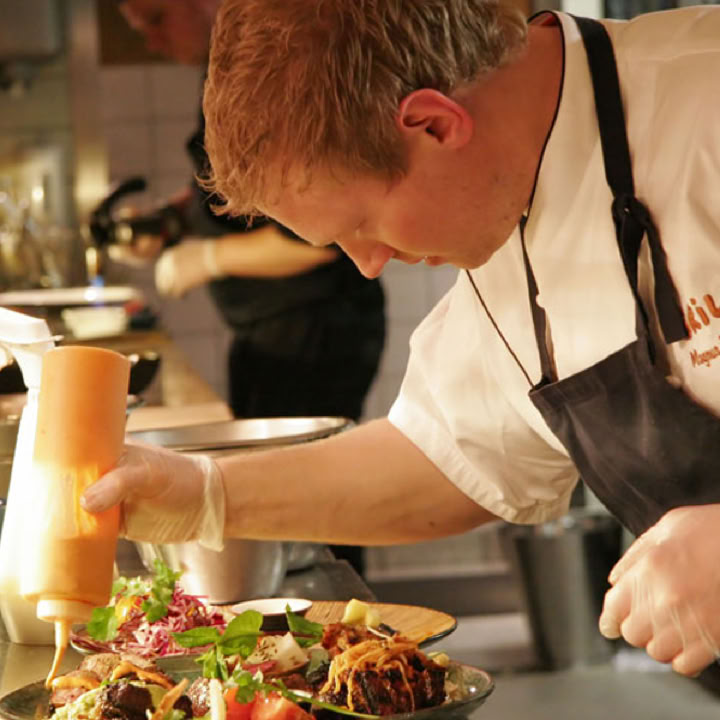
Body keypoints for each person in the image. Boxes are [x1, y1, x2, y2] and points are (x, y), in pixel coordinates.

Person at [83, 0, 720, 680]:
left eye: (362, 224)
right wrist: (204, 494)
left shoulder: (703, 105)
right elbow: (451, 457)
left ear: (435, 124)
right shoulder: (506, 202)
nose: (368, 264)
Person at [112, 0, 386, 575]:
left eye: (157, 20)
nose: (152, 42)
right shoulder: (222, 73)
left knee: (319, 508)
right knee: (286, 507)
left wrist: (210, 257)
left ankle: (338, 614)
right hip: (270, 332)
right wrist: (174, 221)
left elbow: (319, 239)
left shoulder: (275, 70)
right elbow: (244, 202)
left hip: (316, 328)